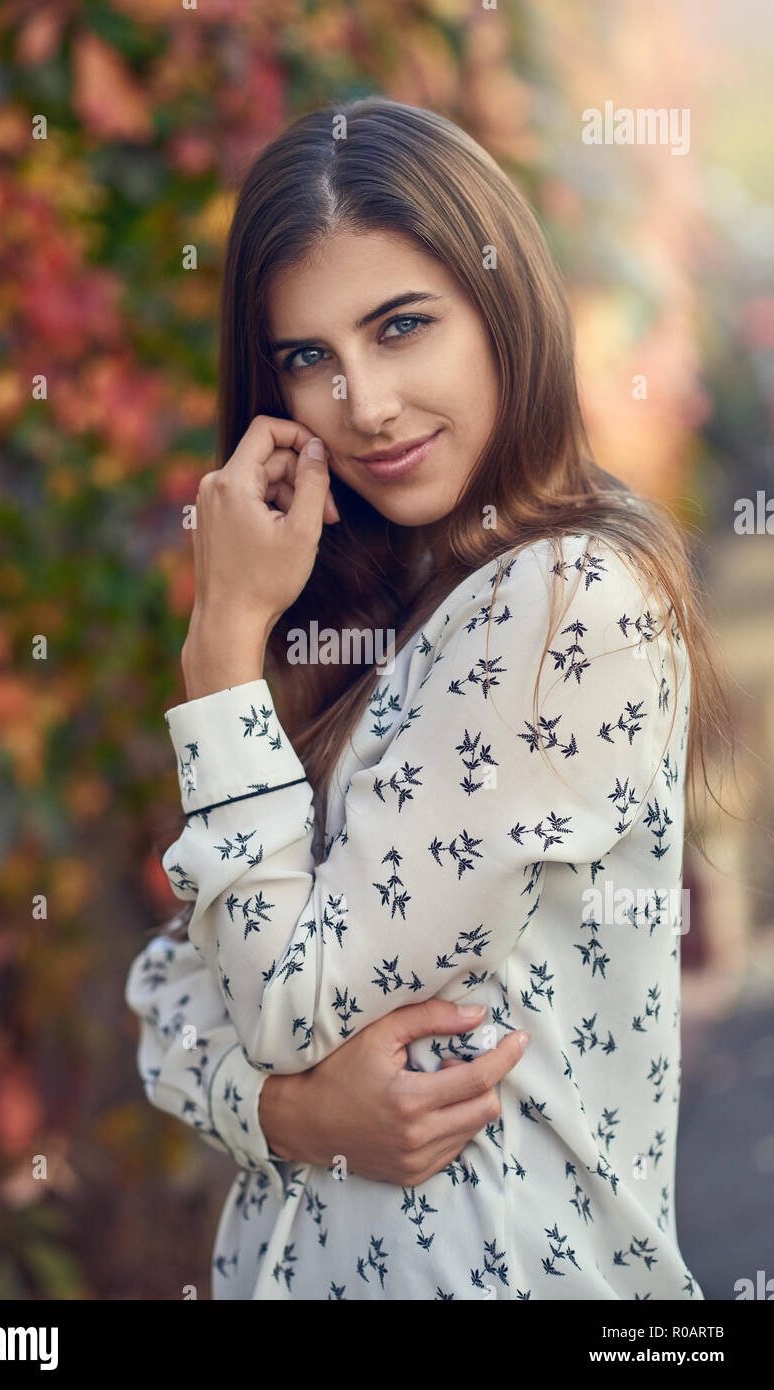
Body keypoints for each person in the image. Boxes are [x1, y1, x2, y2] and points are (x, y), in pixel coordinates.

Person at [126, 97, 727, 1300]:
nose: (367, 404)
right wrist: (293, 1115)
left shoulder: (570, 599)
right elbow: (168, 997)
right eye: (311, 357)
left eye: (403, 326)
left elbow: (282, 997)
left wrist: (223, 647)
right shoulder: (386, 600)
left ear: (502, 311)